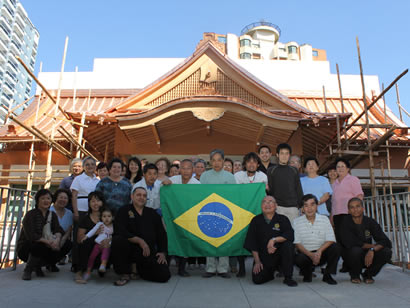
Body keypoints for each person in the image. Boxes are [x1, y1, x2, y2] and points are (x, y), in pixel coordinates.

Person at [111, 187, 170, 285]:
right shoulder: (124, 210)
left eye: (144, 195)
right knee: (118, 240)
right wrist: (139, 240)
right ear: (132, 196)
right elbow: (120, 230)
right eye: (138, 195)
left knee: (164, 275)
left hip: (146, 252)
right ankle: (125, 273)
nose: (141, 197)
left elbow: (161, 234)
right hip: (129, 249)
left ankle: (137, 270)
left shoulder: (152, 213)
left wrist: (162, 252)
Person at [17, 189, 71, 280]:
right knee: (39, 245)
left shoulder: (52, 214)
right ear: (37, 200)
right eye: (43, 198)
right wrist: (48, 242)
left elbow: (58, 229)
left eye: (48, 198)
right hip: (28, 247)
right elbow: (31, 236)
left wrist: (57, 240)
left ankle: (45, 264)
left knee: (67, 244)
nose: (46, 201)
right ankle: (28, 269)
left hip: (46, 244)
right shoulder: (31, 214)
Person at [244, 195, 297, 286]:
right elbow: (252, 242)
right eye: (264, 202)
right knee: (257, 280)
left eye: (270, 202)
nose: (267, 204)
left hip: (280, 256)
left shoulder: (283, 219)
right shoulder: (256, 220)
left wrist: (273, 240)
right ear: (261, 206)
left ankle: (288, 277)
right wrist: (257, 261)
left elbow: (290, 234)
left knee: (288, 245)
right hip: (264, 257)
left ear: (276, 205)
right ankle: (270, 273)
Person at [200, 149, 237, 278]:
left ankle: (223, 268)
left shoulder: (230, 176)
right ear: (210, 162)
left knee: (224, 238)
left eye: (219, 160)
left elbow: (233, 195)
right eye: (214, 160)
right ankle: (210, 268)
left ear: (223, 161)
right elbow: (201, 194)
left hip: (225, 212)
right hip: (208, 211)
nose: (216, 163)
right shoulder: (204, 176)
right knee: (209, 238)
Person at [339, 198, 392, 284]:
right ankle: (355, 275)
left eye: (358, 206)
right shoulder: (344, 222)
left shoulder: (370, 222)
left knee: (387, 251)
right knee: (355, 250)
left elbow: (386, 241)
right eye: (352, 207)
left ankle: (368, 274)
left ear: (363, 208)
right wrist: (373, 247)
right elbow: (350, 242)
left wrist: (372, 250)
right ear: (348, 211)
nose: (355, 209)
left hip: (368, 255)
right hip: (351, 256)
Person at [163, 159, 200, 277]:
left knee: (185, 241)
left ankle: (182, 268)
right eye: (183, 168)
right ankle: (165, 266)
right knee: (170, 240)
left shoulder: (197, 184)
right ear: (179, 170)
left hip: (188, 217)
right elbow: (163, 188)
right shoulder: (173, 180)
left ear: (193, 170)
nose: (185, 171)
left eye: (188, 168)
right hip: (172, 215)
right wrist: (165, 183)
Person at [293, 194, 341, 285]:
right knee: (298, 258)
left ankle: (327, 275)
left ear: (317, 206)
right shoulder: (296, 222)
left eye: (312, 204)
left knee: (336, 247)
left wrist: (319, 252)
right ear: (302, 208)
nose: (309, 208)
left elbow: (331, 239)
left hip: (321, 253)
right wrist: (311, 255)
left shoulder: (324, 219)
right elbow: (297, 243)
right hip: (306, 255)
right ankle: (307, 274)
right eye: (306, 205)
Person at [233, 152, 268, 277]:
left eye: (254, 162)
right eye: (249, 161)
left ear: (258, 164)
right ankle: (241, 267)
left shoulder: (262, 176)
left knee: (257, 238)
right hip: (241, 212)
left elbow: (264, 194)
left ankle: (256, 263)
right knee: (241, 238)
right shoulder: (237, 176)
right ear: (245, 164)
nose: (251, 164)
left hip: (257, 212)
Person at [70, 156, 100, 272]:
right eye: (87, 164)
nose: (90, 166)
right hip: (81, 209)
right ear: (84, 166)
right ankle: (76, 263)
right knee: (78, 237)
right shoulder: (78, 179)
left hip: (93, 212)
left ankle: (89, 263)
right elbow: (74, 196)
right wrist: (76, 212)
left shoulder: (98, 181)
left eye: (92, 164)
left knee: (92, 237)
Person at [75, 191, 107, 284]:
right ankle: (80, 271)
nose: (95, 203)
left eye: (98, 201)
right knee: (85, 242)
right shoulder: (85, 218)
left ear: (102, 202)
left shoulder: (107, 217)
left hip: (104, 246)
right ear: (89, 203)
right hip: (89, 248)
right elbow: (79, 239)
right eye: (92, 201)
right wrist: (94, 233)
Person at [267, 143, 303, 222]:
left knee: (293, 233)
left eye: (286, 153)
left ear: (289, 155)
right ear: (277, 155)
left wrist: (300, 205)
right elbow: (270, 191)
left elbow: (298, 189)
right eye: (282, 153)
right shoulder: (271, 170)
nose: (284, 156)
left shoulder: (294, 170)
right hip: (277, 208)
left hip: (293, 208)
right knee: (278, 233)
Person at [331, 158, 364, 241]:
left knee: (351, 239)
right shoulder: (334, 183)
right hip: (337, 216)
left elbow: (359, 196)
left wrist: (355, 211)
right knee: (340, 239)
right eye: (338, 167)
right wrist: (331, 217)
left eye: (342, 166)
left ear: (348, 169)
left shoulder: (353, 179)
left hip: (349, 214)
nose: (340, 168)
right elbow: (333, 202)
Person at [81, 207, 114, 282]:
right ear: (101, 218)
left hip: (107, 245)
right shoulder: (100, 224)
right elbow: (93, 231)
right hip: (98, 244)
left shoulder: (113, 226)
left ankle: (103, 265)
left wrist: (110, 241)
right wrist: (86, 236)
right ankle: (88, 271)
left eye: (109, 216)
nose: (106, 218)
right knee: (92, 257)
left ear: (112, 217)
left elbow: (115, 235)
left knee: (105, 253)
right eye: (104, 216)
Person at [50, 189, 73, 267]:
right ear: (56, 198)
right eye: (61, 197)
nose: (63, 200)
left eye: (65, 198)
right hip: (49, 239)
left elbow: (68, 231)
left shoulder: (69, 213)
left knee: (68, 244)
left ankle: (54, 260)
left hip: (62, 239)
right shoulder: (49, 211)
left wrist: (61, 241)